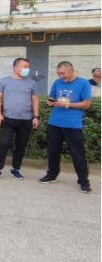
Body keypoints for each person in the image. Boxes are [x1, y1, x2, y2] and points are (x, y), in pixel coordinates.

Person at [39, 61, 92, 194]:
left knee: (78, 154)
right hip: (54, 122)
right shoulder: (58, 82)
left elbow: (86, 104)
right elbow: (51, 98)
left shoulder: (83, 83)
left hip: (73, 124)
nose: (61, 76)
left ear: (71, 70)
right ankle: (51, 175)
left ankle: (83, 181)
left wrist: (68, 105)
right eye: (58, 73)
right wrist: (50, 102)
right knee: (53, 151)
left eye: (63, 73)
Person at [0, 58, 39, 180]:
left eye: (28, 66)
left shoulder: (31, 83)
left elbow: (35, 100)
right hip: (8, 118)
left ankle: (15, 169)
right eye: (24, 66)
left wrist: (36, 116)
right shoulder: (4, 81)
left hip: (26, 119)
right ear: (15, 68)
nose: (27, 69)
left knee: (21, 146)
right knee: (4, 143)